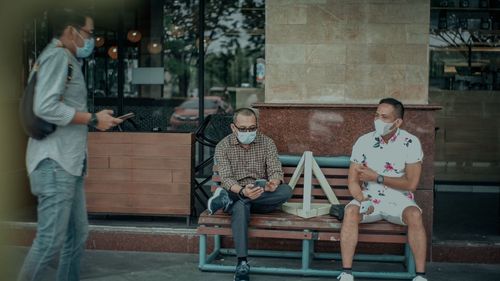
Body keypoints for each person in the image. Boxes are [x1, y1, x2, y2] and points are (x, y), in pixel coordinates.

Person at [18, 9, 122, 281]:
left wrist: (96, 119)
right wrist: (92, 119)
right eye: (88, 32)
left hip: (69, 164)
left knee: (76, 236)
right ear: (70, 31)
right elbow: (44, 107)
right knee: (50, 240)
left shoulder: (65, 60)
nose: (91, 39)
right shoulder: (57, 58)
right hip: (54, 163)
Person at [337, 98, 428, 281]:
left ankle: (420, 275)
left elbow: (411, 184)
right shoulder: (364, 141)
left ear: (397, 122)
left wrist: (376, 177)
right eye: (377, 115)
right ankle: (346, 272)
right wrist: (362, 199)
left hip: (399, 200)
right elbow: (353, 181)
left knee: (415, 215)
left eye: (384, 117)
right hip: (370, 198)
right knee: (351, 211)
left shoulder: (410, 142)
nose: (378, 120)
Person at [207, 108, 292, 281]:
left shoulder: (267, 143)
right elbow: (226, 178)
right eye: (243, 129)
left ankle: (226, 199)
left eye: (252, 128)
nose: (248, 132)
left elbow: (276, 170)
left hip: (262, 197)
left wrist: (273, 183)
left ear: (257, 127)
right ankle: (242, 263)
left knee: (286, 191)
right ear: (233, 127)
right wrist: (243, 192)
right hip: (239, 191)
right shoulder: (223, 146)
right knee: (241, 206)